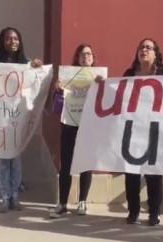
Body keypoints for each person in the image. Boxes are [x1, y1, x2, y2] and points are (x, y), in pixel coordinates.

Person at [0, 27, 43, 213]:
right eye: (8, 39)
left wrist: (38, 67)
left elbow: (34, 82)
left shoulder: (26, 63)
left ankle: (14, 196)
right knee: (2, 159)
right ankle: (4, 197)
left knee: (16, 159)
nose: (12, 41)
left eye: (15, 38)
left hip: (16, 119)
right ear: (1, 42)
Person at [120, 38, 163, 226]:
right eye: (141, 47)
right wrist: (100, 83)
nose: (144, 50)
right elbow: (117, 95)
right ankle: (133, 211)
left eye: (148, 47)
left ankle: (154, 213)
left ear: (155, 54)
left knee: (153, 173)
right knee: (131, 173)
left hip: (155, 131)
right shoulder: (129, 74)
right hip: (133, 131)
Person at [50, 44, 96, 218]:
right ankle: (62, 203)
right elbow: (57, 103)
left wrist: (102, 84)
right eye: (82, 54)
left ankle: (82, 201)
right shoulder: (67, 76)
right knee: (66, 164)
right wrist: (58, 90)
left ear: (93, 57)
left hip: (89, 124)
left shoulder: (98, 77)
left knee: (85, 164)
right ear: (77, 58)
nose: (86, 57)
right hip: (69, 123)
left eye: (89, 54)